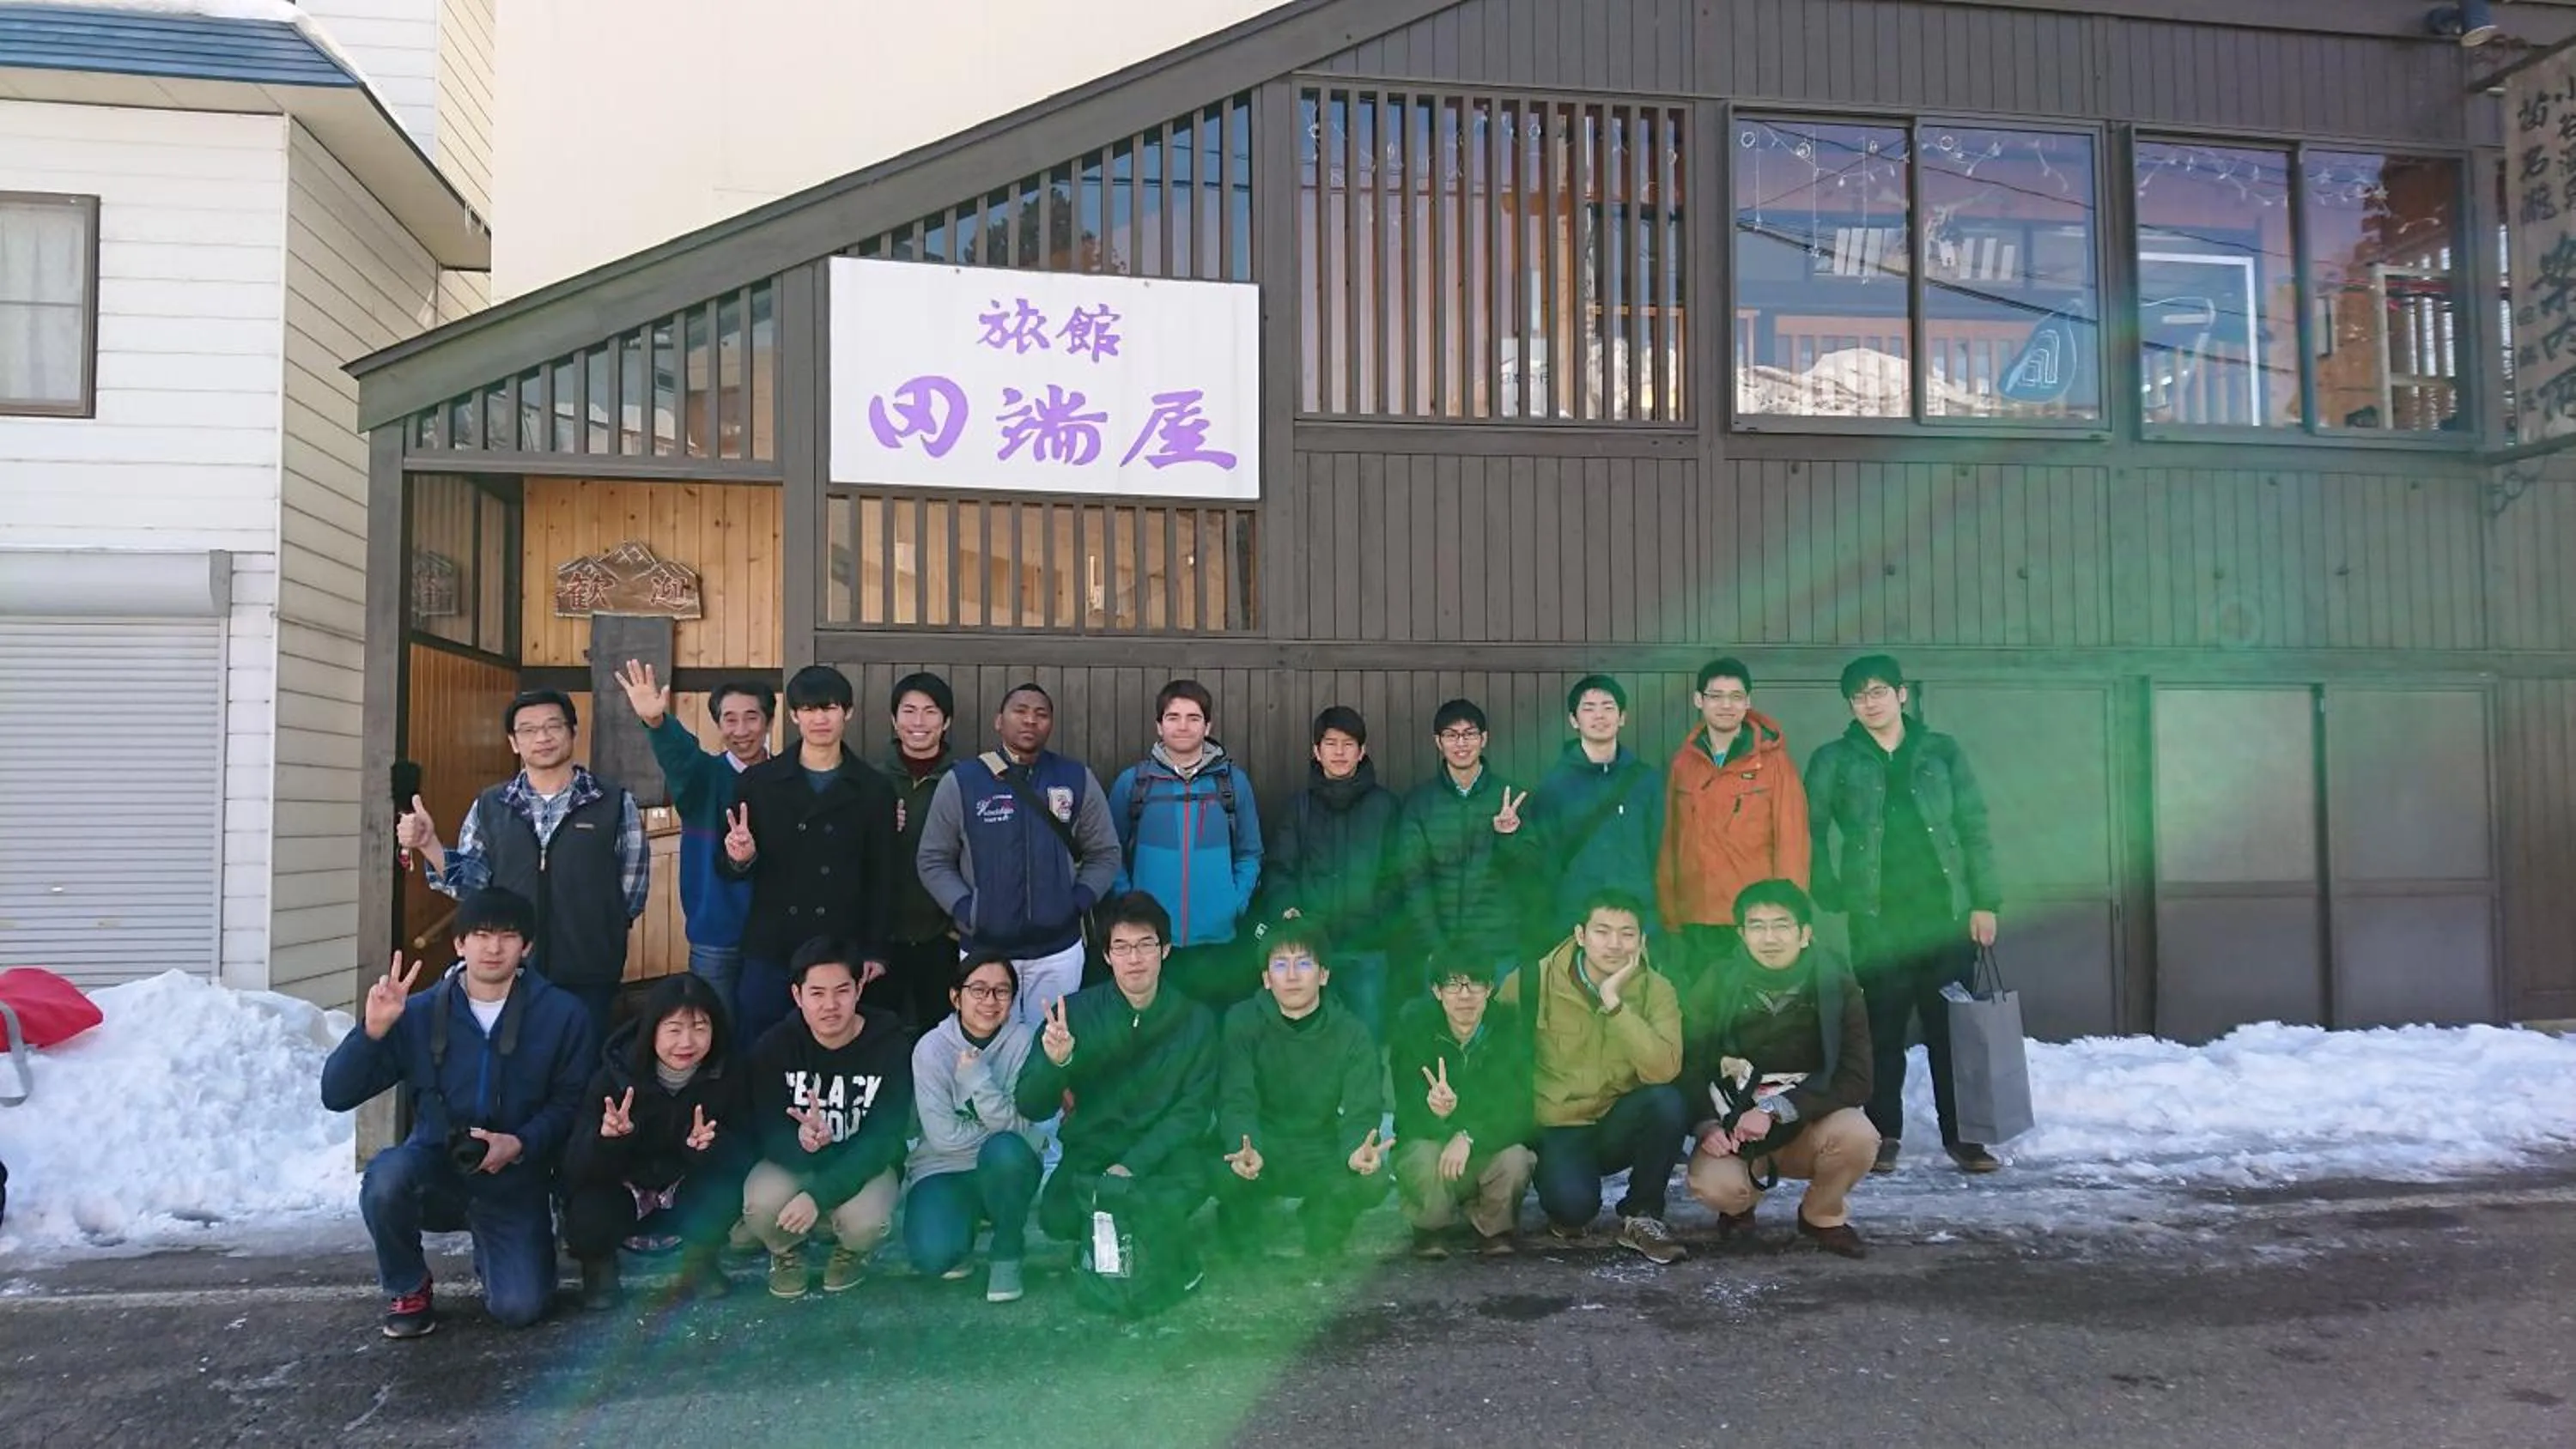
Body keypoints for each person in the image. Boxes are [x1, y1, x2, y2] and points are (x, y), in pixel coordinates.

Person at [320, 888, 595, 1337]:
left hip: (513, 1178)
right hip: (436, 1167)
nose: (493, 948)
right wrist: (372, 1031)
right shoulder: (420, 1012)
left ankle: (503, 1250)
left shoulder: (562, 1015)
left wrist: (520, 1143)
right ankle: (408, 1284)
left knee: (520, 1308)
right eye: (481, 935)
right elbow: (336, 1093)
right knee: (387, 1178)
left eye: (508, 937)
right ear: (459, 944)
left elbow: (570, 1105)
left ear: (526, 947)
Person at [1803, 654, 2004, 1175]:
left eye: (1878, 692)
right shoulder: (1834, 759)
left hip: (1944, 915)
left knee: (1951, 1032)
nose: (1869, 703)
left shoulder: (1940, 752)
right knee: (1881, 1029)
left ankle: (1965, 1140)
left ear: (1901, 695)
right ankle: (1883, 1134)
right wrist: (1829, 890)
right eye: (1858, 696)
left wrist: (1985, 900)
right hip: (1876, 916)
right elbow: (1812, 825)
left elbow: (1974, 824)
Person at [398, 689, 648, 1048]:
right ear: (514, 743)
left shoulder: (613, 802)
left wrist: (599, 930)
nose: (542, 738)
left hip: (589, 970)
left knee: (581, 1068)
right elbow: (473, 887)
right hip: (506, 971)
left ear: (573, 732)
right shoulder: (491, 804)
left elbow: (632, 892)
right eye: (528, 730)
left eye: (552, 726)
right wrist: (430, 846)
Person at [1012, 892, 1216, 1288]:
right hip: (1096, 1149)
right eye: (1121, 947)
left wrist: (1133, 1165)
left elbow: (1193, 1110)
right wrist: (1057, 1064)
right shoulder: (1075, 1014)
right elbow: (1031, 1105)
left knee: (1173, 1192)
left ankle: (1163, 1247)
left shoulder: (1195, 1020)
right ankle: (1103, 1233)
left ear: (1166, 950)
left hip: (1164, 1152)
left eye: (1145, 945)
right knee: (1056, 1215)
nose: (1134, 959)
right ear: (1106, 956)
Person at [1680, 879, 1876, 1258]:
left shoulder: (1836, 984)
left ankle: (1822, 1216)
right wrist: (1706, 1126)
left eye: (1781, 925)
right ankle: (1739, 1210)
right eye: (1757, 926)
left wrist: (1775, 1110)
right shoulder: (1716, 982)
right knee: (1716, 1186)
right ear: (1741, 934)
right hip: (1733, 1126)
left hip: (1807, 1123)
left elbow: (1857, 1078)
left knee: (1858, 1136)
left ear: (1805, 933)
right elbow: (1688, 1063)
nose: (1769, 937)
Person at [916, 682, 1122, 1030]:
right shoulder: (963, 781)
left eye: (1041, 714)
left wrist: (1077, 901)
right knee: (988, 1043)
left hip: (1058, 951)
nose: (1030, 721)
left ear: (1051, 725)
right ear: (999, 721)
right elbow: (933, 859)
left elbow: (1105, 852)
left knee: (1053, 1042)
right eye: (1020, 711)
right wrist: (968, 909)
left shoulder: (1075, 778)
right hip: (986, 950)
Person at [1498, 888, 1688, 1264]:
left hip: (1617, 1122)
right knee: (1572, 1211)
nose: (1614, 944)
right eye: (1602, 931)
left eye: (1627, 933)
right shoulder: (1531, 983)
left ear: (1642, 940)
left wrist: (1615, 1004)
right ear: (1580, 935)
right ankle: (1562, 1189)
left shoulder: (1657, 990)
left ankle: (1643, 1216)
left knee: (1667, 1102)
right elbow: (1495, 1059)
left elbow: (1664, 1070)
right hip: (1558, 1126)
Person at [720, 664, 901, 1050]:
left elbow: (883, 876)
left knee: (840, 1053)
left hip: (843, 947)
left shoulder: (874, 788)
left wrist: (876, 950)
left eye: (830, 708)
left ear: (847, 713)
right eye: (809, 708)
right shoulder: (758, 783)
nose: (820, 718)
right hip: (773, 948)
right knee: (763, 1049)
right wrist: (741, 857)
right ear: (793, 715)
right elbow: (729, 868)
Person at [562, 973, 754, 1307]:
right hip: (625, 1188)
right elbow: (574, 1166)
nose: (686, 1042)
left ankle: (701, 1260)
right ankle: (599, 1270)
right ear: (652, 1028)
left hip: (684, 1186)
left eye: (699, 1027)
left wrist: (712, 1146)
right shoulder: (614, 1074)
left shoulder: (729, 1073)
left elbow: (747, 1156)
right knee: (586, 1207)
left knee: (722, 1192)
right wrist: (608, 1140)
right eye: (674, 1029)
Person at [742, 937, 915, 1300]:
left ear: (859, 989)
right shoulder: (774, 1047)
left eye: (841, 991)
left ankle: (850, 1251)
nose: (830, 1005)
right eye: (817, 993)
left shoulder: (891, 1046)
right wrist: (801, 1143)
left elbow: (884, 1141)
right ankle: (787, 1252)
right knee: (759, 1205)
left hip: (865, 1163)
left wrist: (817, 1196)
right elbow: (767, 1130)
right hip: (797, 1161)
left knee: (865, 1223)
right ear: (797, 995)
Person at [1212, 920, 1391, 1262]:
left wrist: (1357, 1148)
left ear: (1323, 974)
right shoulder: (1242, 1021)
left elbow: (1362, 1104)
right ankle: (1241, 1221)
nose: (1292, 975)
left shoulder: (1352, 1032)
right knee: (1218, 1167)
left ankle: (1324, 1220)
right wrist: (1244, 1143)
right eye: (1280, 964)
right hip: (1262, 1143)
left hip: (1320, 1148)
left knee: (1372, 1179)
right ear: (1266, 978)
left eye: (1304, 963)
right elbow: (1236, 1096)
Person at [613, 662, 774, 1028]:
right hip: (715, 934)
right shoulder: (703, 777)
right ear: (718, 725)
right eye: (729, 719)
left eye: (752, 718)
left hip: (775, 936)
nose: (741, 730)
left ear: (769, 722)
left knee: (768, 1035)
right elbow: (680, 756)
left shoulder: (789, 778)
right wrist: (658, 722)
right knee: (713, 1033)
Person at [1108, 680, 1264, 1010]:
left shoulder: (1232, 784)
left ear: (1208, 726)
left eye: (1193, 717)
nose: (1183, 726)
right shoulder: (1134, 784)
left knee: (1214, 1034)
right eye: (1173, 716)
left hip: (1218, 940)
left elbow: (1251, 853)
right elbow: (1111, 853)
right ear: (1159, 725)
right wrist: (1129, 902)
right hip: (1153, 943)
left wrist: (1234, 902)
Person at [1657, 657, 1810, 988]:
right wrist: (1670, 915)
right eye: (1716, 696)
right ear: (1699, 700)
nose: (1726, 705)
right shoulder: (1684, 763)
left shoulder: (1774, 763)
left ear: (1748, 702)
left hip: (1754, 919)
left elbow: (1792, 842)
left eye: (1736, 696)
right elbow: (1671, 840)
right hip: (1695, 916)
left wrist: (1789, 917)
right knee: (1701, 1015)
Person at [904, 953, 1045, 1304]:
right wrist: (1002, 1124)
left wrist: (979, 1081)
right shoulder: (931, 1049)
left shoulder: (1023, 1042)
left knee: (1007, 1151)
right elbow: (943, 1137)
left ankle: (1007, 1250)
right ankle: (966, 1221)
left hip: (1004, 1165)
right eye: (978, 990)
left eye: (1001, 991)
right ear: (956, 997)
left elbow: (1015, 1131)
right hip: (943, 1168)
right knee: (934, 1258)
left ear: (1013, 1000)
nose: (989, 1001)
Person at [1264, 706, 1401, 1042]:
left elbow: (1399, 873)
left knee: (1368, 1041)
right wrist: (1288, 910)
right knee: (1310, 1043)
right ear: (1316, 751)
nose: (1339, 752)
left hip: (1367, 949)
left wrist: (1378, 922)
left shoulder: (1385, 806)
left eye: (1348, 744)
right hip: (1311, 950)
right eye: (1330, 743)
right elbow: (1280, 868)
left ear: (1362, 751)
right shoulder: (1299, 807)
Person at [1388, 960, 1537, 1259]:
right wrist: (1438, 1116)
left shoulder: (1509, 1031)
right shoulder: (1415, 1032)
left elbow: (1520, 1109)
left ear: (1490, 990)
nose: (1465, 995)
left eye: (1475, 984)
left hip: (1482, 1148)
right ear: (1437, 991)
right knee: (1419, 1155)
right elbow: (1404, 1116)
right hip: (1435, 1147)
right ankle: (1430, 1228)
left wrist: (1468, 1135)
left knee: (1516, 1158)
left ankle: (1494, 1228)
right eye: (1454, 985)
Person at [1392, 699, 1532, 987]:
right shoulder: (1420, 803)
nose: (1461, 743)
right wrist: (1435, 945)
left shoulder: (1511, 798)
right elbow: (1413, 880)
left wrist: (1509, 838)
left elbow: (1532, 871)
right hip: (1440, 949)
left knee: (1502, 1026)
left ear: (1484, 739)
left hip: (1499, 948)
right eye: (1451, 735)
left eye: (1469, 734)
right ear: (1438, 742)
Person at [1531, 675, 1666, 951]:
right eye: (1589, 708)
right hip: (1575, 915)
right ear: (1574, 719)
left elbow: (1660, 848)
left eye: (1608, 707)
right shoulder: (1554, 785)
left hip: (1636, 913)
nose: (1599, 716)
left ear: (1622, 717)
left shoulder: (1646, 781)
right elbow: (1545, 859)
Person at [869, 670, 963, 1033]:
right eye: (908, 711)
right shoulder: (870, 781)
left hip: (943, 938)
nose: (918, 722)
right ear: (894, 719)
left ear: (947, 721)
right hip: (882, 940)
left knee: (941, 1036)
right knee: (879, 1038)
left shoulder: (965, 780)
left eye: (930, 711)